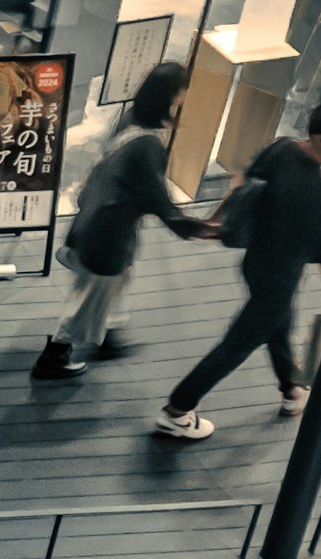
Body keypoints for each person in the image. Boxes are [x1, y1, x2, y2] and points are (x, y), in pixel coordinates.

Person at [153, 94, 321, 442]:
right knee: (237, 344)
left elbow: (242, 187)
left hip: (254, 265)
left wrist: (214, 223)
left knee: (279, 325)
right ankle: (176, 410)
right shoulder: (317, 194)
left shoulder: (282, 149)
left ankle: (292, 390)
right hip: (279, 278)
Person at [31, 60, 208, 380]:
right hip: (108, 234)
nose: (184, 98)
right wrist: (194, 226)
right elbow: (157, 198)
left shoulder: (129, 120)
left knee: (111, 285)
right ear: (172, 95)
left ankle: (110, 335)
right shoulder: (147, 144)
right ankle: (54, 356)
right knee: (89, 297)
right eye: (182, 91)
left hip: (95, 222)